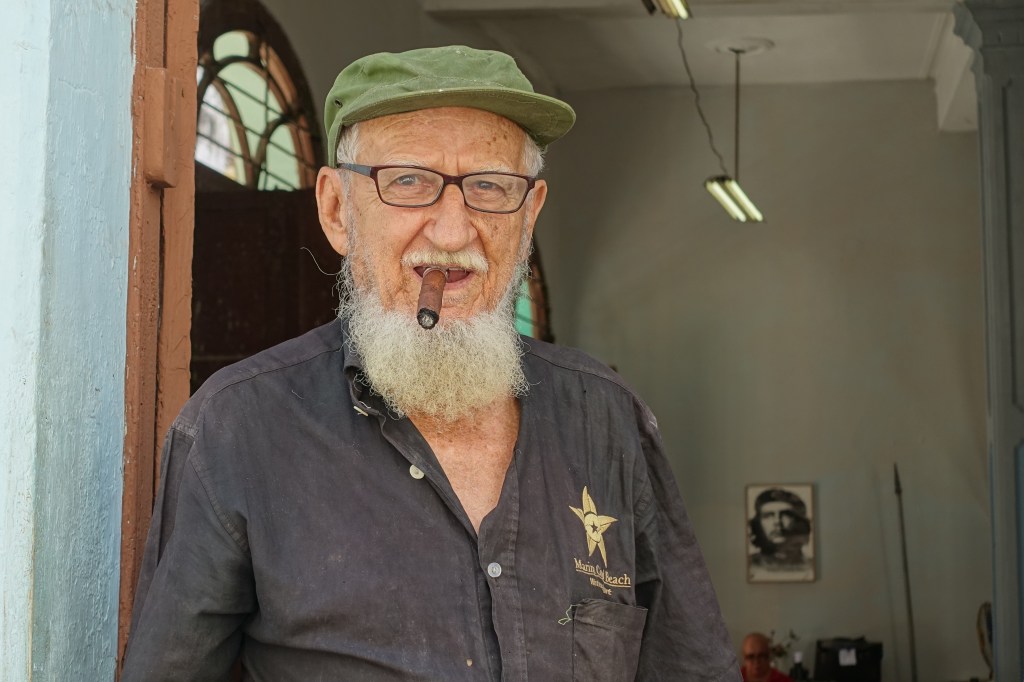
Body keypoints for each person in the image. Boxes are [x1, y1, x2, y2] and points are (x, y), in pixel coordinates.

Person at [122, 45, 739, 681]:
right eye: (408, 181)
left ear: (530, 213)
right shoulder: (239, 429)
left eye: (490, 186)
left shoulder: (605, 420)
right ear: (337, 210)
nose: (451, 232)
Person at [748, 488, 812, 571]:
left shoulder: (811, 567)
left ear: (799, 522)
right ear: (757, 524)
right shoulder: (747, 566)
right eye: (768, 515)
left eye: (786, 514)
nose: (777, 522)